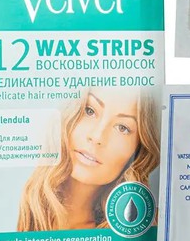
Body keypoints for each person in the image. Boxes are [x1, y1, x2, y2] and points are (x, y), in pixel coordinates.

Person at [17, 88, 159, 231]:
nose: (97, 137)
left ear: (139, 150)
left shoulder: (141, 228)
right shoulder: (19, 208)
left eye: (122, 128)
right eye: (89, 111)